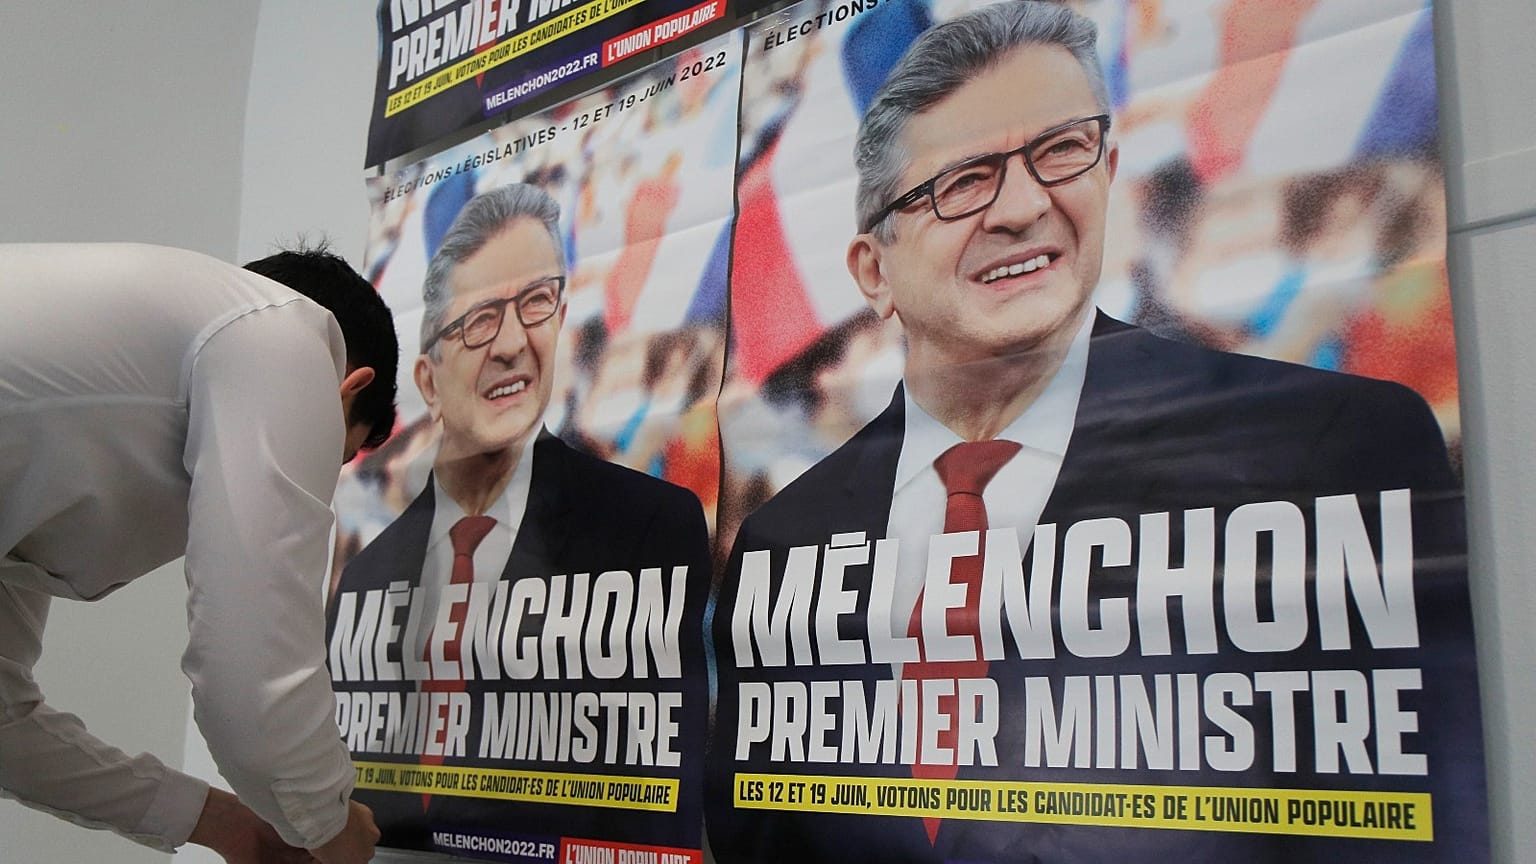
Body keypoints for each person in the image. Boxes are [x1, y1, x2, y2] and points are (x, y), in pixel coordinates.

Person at [707, 3, 1481, 863]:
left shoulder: (1335, 453)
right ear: (873, 272)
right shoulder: (786, 545)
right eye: (960, 181)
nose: (1021, 207)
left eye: (1059, 153)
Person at [328, 184, 711, 852]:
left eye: (536, 304)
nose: (512, 344)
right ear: (427, 378)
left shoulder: (649, 527)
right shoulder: (366, 576)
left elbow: (657, 806)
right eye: (478, 320)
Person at [0, 242, 395, 863]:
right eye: (334, 456)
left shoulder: (42, 438)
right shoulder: (282, 337)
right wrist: (327, 826)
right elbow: (250, 676)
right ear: (343, 388)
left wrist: (224, 822)